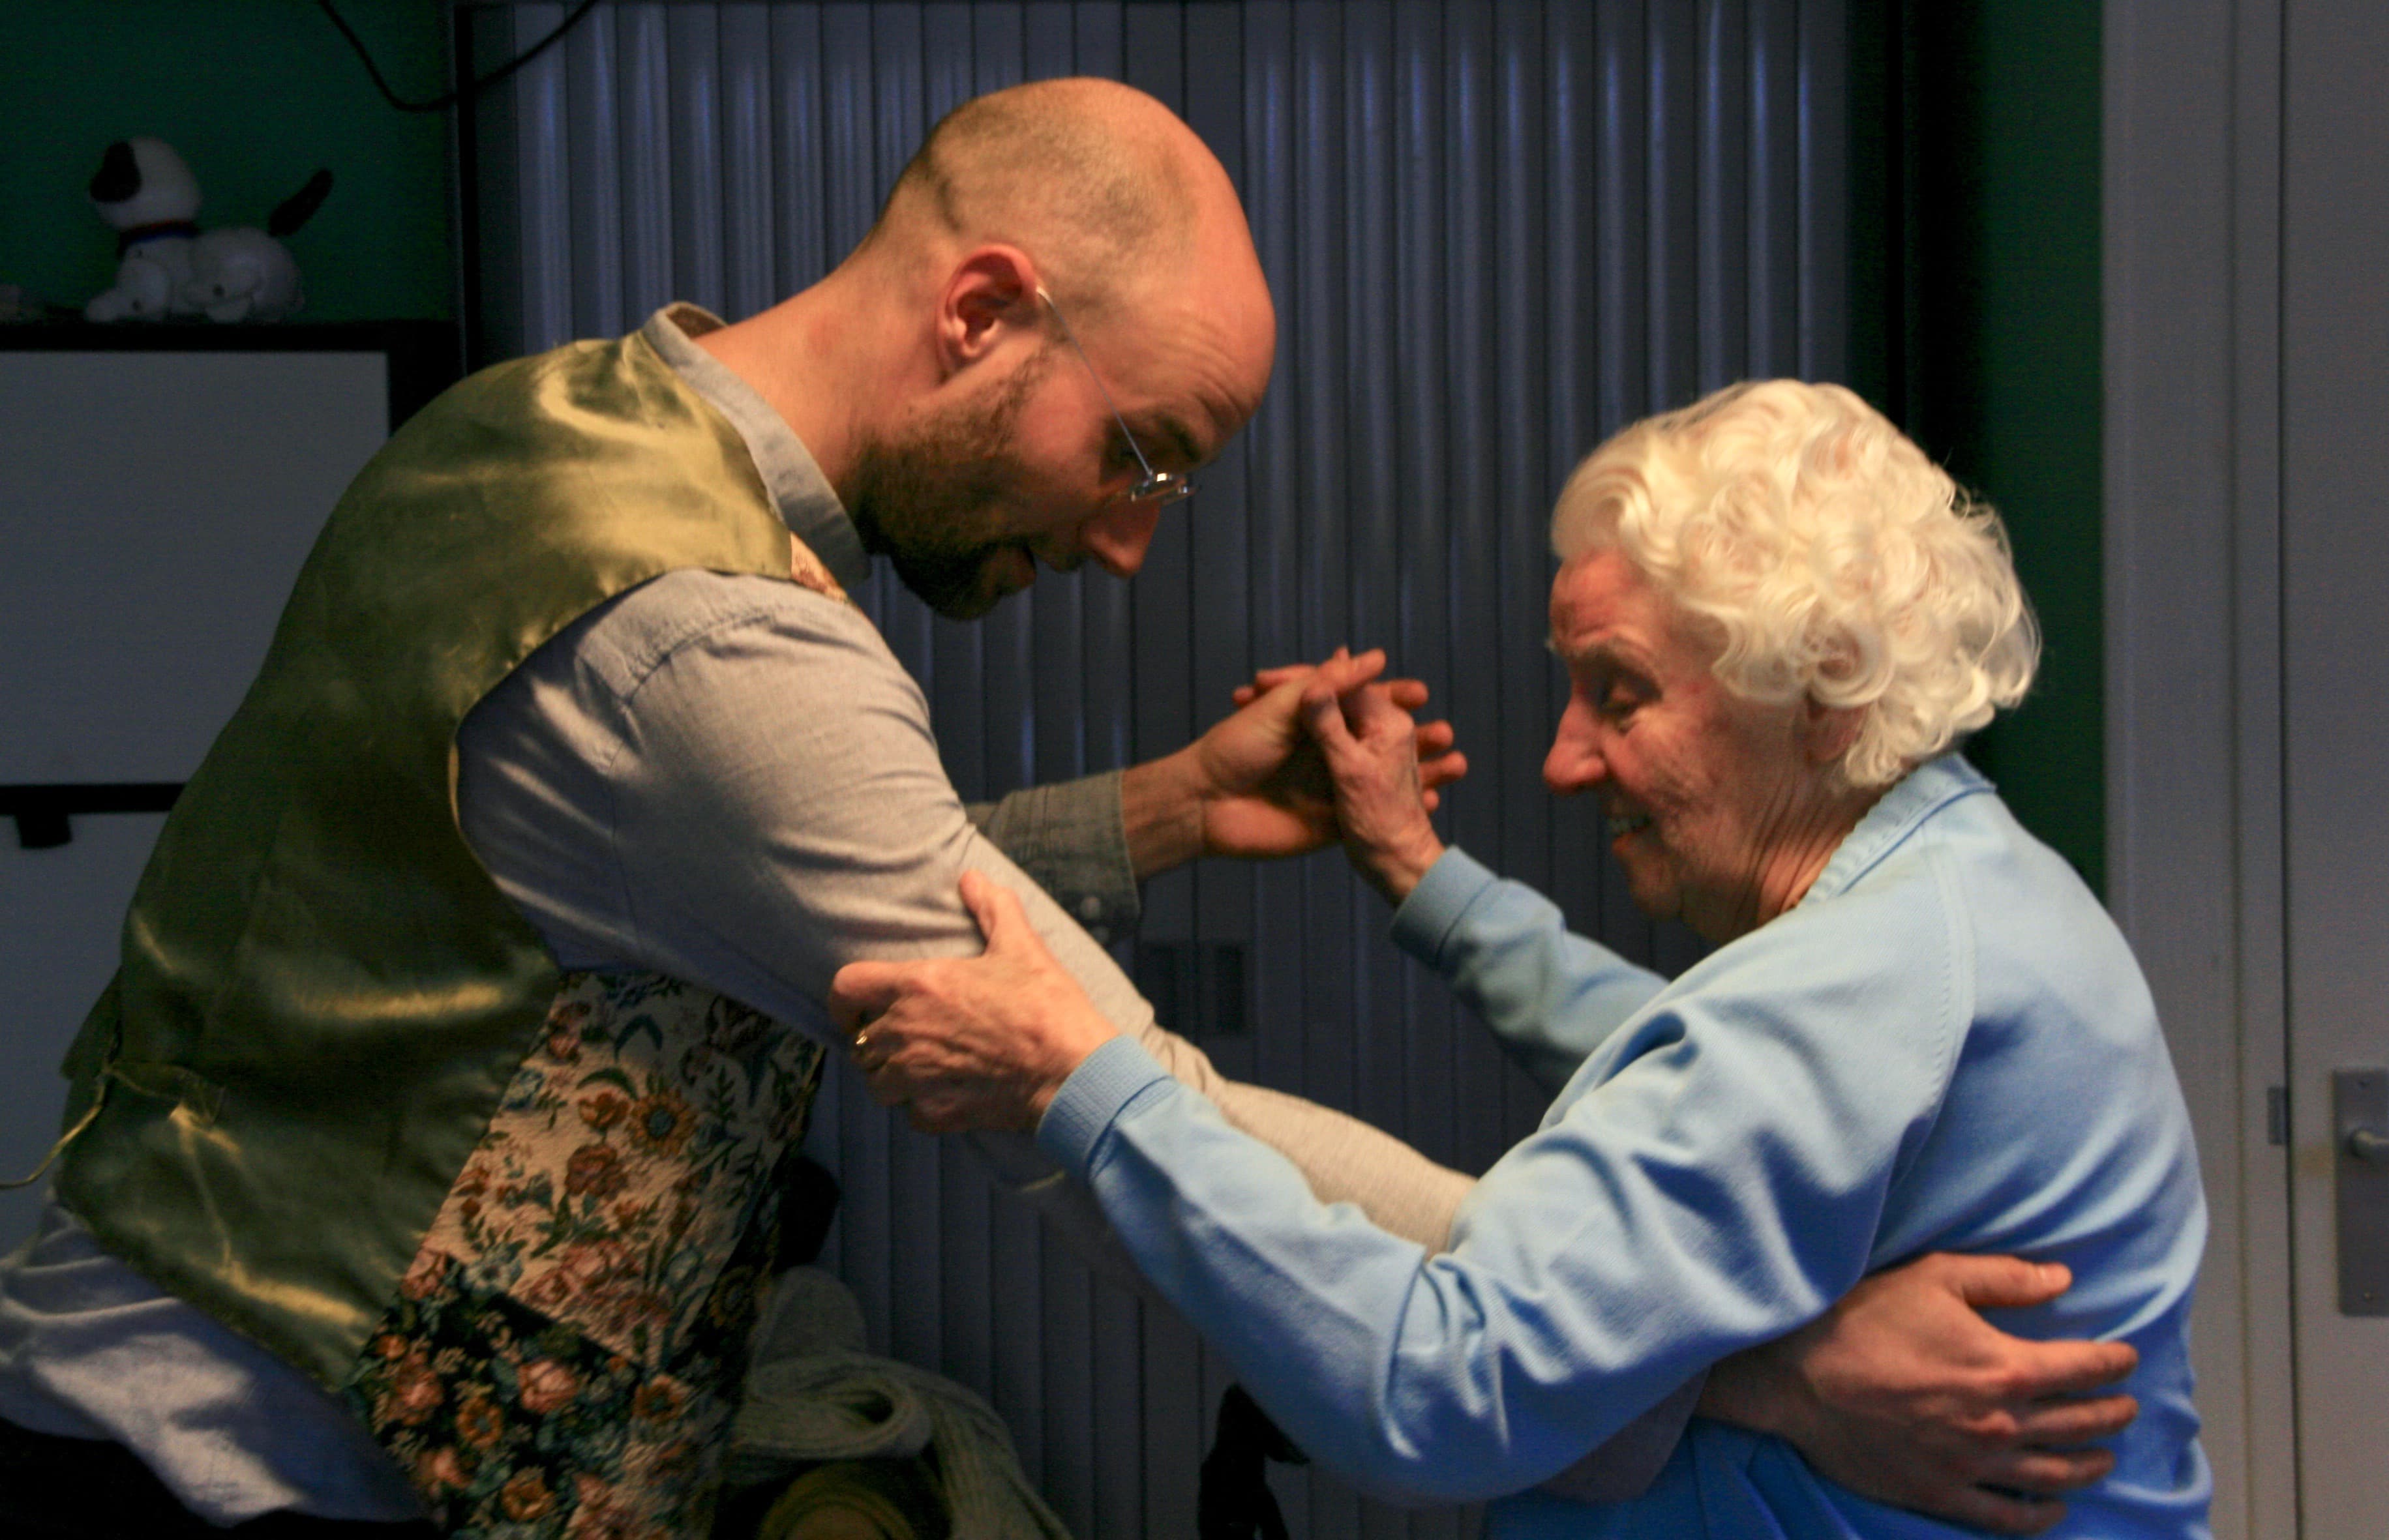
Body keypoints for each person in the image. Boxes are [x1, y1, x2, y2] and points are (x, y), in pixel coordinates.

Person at [0, 76, 2127, 1537]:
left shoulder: (559, 422)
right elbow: (1103, 1076)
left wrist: (1179, 808)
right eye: (1142, 455)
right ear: (987, 312)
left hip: (138, 1364)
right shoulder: (721, 640)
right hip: (239, 1466)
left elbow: (752, 890)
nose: (1132, 544)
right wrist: (1736, 1371)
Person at [832, 379, 2210, 1536]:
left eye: (1618, 691)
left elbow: (1440, 1382)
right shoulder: (1960, 894)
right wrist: (1418, 873)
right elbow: (1686, 1062)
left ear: (1822, 690)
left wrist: (1078, 1079)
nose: (1560, 756)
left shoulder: (1857, 983)